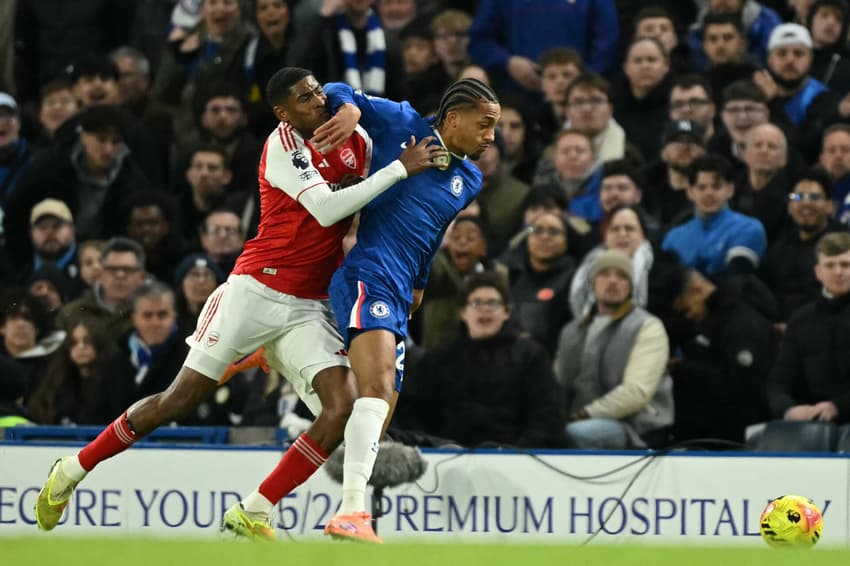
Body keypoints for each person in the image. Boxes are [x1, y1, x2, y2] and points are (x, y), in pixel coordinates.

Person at [33, 67, 445, 539]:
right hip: (254, 291)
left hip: (306, 305)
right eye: (304, 99)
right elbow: (329, 209)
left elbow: (369, 172)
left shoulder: (356, 137)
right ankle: (71, 469)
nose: (316, 102)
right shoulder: (283, 145)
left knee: (342, 407)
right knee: (177, 400)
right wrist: (401, 168)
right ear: (282, 112)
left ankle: (257, 508)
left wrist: (355, 114)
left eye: (316, 92)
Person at [318, 76, 500, 542]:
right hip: (368, 273)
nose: (491, 137)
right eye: (485, 125)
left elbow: (432, 232)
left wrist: (419, 283)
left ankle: (266, 506)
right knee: (375, 389)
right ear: (453, 119)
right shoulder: (400, 121)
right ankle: (352, 512)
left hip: (400, 291)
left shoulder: (471, 179)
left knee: (377, 408)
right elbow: (338, 88)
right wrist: (349, 112)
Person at [399, 272, 567, 448]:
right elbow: (416, 414)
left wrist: (517, 453)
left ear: (507, 312)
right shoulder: (440, 358)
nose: (485, 309)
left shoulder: (531, 356)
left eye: (493, 303)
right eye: (477, 303)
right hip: (449, 459)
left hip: (517, 458)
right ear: (463, 312)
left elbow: (548, 415)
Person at [556, 249, 673, 449]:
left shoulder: (648, 326)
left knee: (575, 435)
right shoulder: (572, 331)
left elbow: (635, 393)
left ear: (630, 285)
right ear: (592, 282)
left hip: (635, 426)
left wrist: (583, 415)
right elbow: (558, 383)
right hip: (579, 418)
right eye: (604, 274)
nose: (612, 281)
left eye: (621, 276)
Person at [767, 231, 850, 424]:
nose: (838, 272)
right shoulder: (801, 319)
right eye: (830, 265)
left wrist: (838, 406)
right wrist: (788, 409)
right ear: (818, 273)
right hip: (812, 425)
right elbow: (778, 381)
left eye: (845, 264)